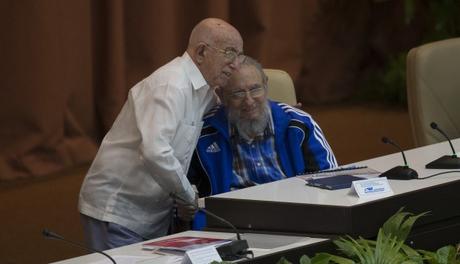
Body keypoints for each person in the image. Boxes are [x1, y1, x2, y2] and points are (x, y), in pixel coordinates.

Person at [78, 18, 244, 250]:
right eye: (230, 53)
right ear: (201, 52)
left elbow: (230, 110)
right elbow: (155, 152)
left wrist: (276, 111)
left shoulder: (205, 90)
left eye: (239, 55)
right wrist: (188, 195)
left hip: (152, 213)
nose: (236, 64)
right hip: (118, 210)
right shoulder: (171, 86)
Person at [187, 57, 337, 228]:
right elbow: (189, 196)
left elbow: (331, 180)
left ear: (266, 85)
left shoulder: (298, 124)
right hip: (230, 226)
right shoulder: (204, 134)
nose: (249, 101)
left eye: (255, 89)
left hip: (295, 216)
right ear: (221, 95)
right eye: (238, 93)